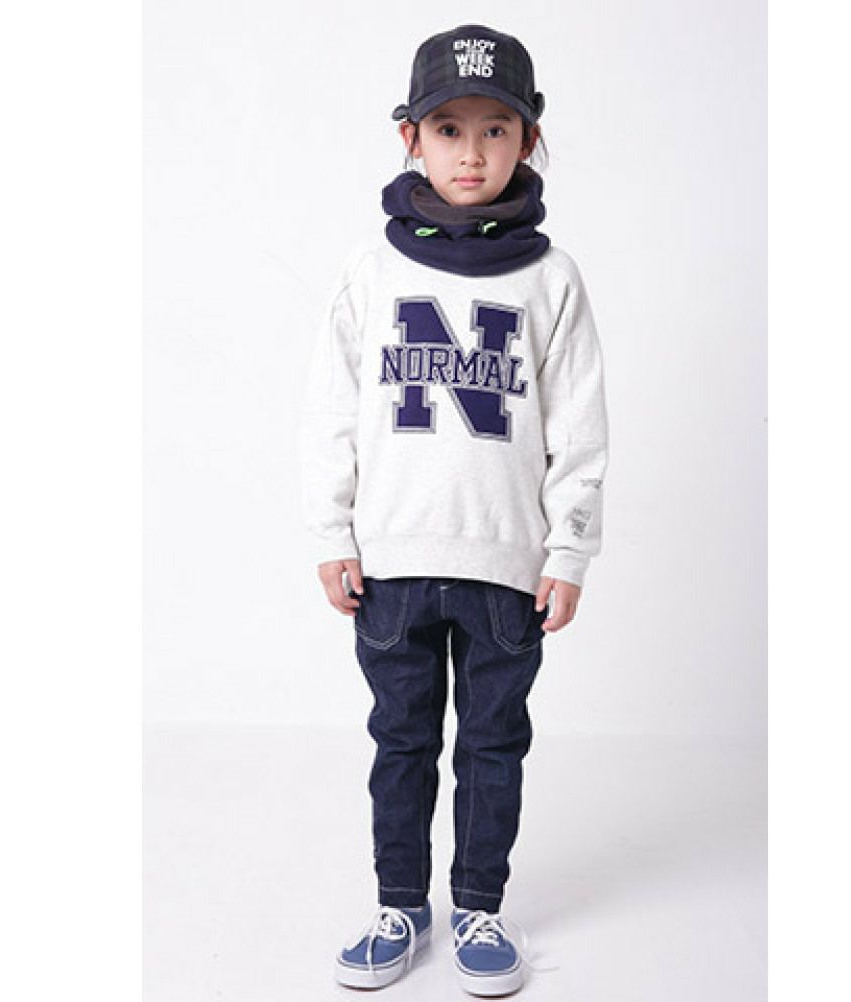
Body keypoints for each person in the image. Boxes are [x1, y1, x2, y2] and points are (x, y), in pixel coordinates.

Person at [298, 23, 609, 996]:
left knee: (491, 745)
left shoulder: (551, 279)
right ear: (410, 139)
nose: (470, 152)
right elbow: (331, 410)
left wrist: (569, 551)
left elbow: (581, 428)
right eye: (447, 129)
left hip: (505, 567)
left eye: (494, 130)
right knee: (400, 743)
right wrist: (331, 531)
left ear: (529, 141)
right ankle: (401, 903)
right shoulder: (372, 270)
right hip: (391, 564)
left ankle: (478, 905)